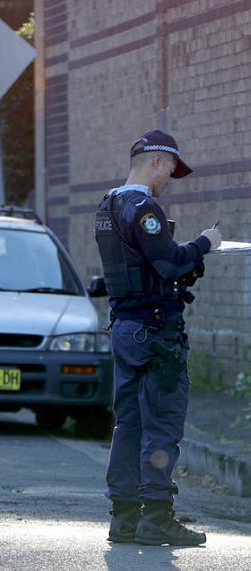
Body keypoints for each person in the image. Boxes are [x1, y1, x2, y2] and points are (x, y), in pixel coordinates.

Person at [94, 129, 221, 546]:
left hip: (126, 330)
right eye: (170, 169)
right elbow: (168, 264)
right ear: (155, 161)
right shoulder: (142, 206)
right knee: (162, 425)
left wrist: (185, 264)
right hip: (156, 335)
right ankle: (158, 518)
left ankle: (124, 517)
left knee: (127, 424)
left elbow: (145, 269)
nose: (169, 179)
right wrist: (205, 243)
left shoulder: (107, 205)